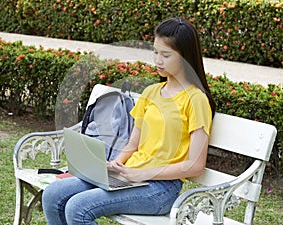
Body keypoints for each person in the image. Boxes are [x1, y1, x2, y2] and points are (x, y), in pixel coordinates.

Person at [42, 17, 216, 225]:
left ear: (185, 57)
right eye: (155, 52)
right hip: (127, 177)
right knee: (53, 194)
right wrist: (117, 163)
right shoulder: (151, 92)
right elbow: (134, 143)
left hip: (160, 188)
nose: (158, 61)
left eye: (166, 55)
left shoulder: (196, 99)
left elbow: (196, 166)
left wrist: (140, 174)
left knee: (77, 208)